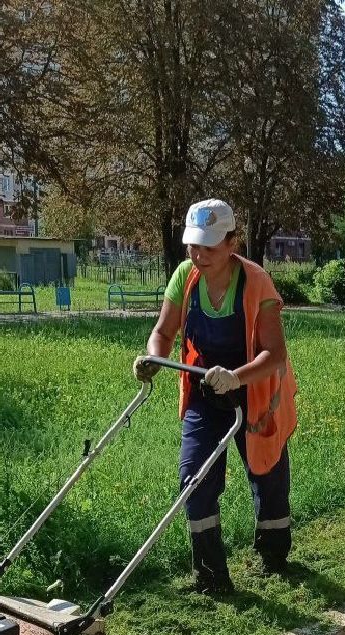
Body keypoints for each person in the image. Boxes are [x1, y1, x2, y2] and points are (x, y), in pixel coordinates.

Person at [134, 199, 297, 595]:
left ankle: (275, 557)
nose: (198, 255)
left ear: (232, 242)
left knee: (267, 475)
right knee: (194, 479)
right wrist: (154, 358)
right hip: (204, 395)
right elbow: (163, 331)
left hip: (255, 395)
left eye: (208, 246)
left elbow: (274, 354)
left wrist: (235, 377)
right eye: (193, 245)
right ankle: (211, 575)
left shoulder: (258, 283)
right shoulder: (185, 276)